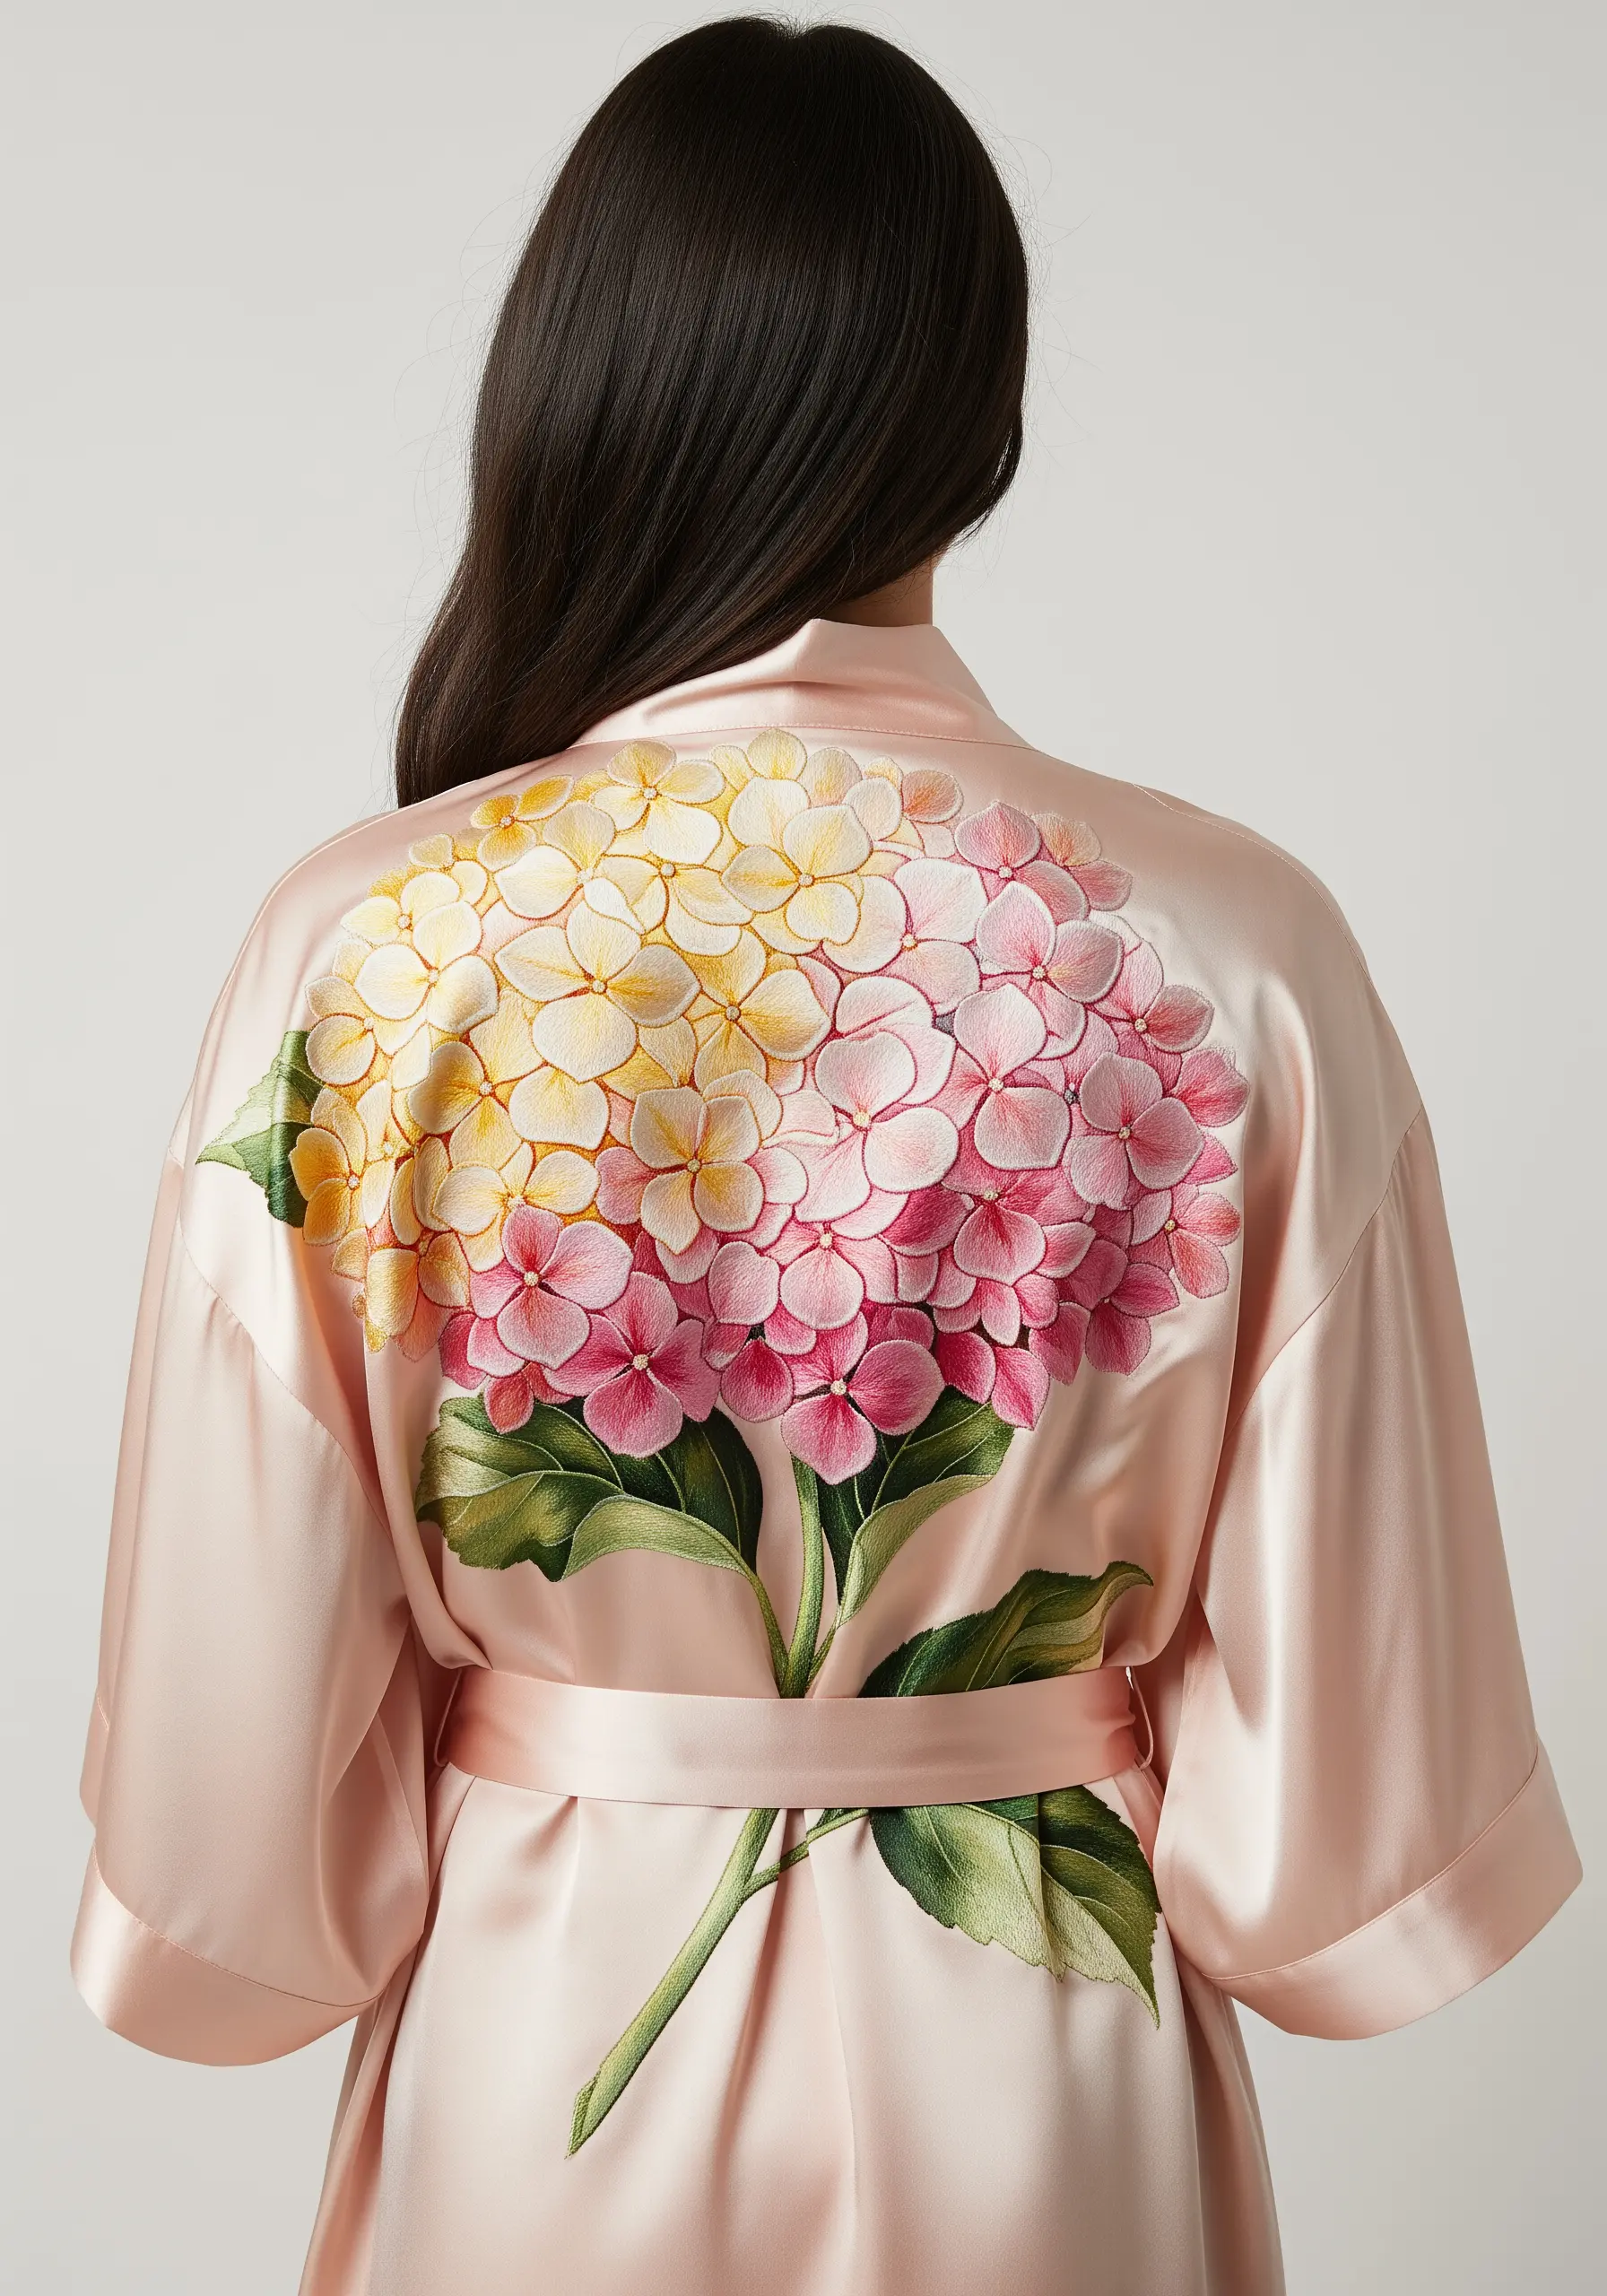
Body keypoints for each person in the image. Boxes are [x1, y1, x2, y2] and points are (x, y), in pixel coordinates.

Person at [72, 19, 1579, 2295]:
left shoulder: (366, 943)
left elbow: (227, 1846)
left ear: (579, 387)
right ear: (979, 425)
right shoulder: (1234, 941)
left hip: (544, 2056)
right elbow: (1351, 1831)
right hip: (1044, 2090)